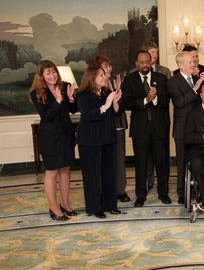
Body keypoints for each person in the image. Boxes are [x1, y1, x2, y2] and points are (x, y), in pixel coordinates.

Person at [122, 51, 171, 207]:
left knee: (161, 162)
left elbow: (166, 100)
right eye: (141, 62)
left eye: (147, 62)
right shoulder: (129, 80)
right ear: (136, 63)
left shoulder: (161, 79)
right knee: (141, 163)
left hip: (159, 127)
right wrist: (146, 100)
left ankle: (163, 193)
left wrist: (155, 98)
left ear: (151, 62)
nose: (144, 65)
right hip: (140, 128)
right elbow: (127, 103)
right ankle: (140, 195)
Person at [30, 60, 78, 221]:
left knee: (65, 169)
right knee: (51, 172)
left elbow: (72, 110)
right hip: (50, 137)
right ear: (42, 76)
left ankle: (65, 204)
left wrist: (70, 99)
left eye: (54, 72)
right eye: (48, 73)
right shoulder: (37, 92)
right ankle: (54, 207)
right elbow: (46, 116)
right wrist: (57, 101)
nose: (52, 75)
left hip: (66, 134)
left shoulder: (64, 86)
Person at [76, 66, 122, 218]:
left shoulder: (106, 93)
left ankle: (110, 204)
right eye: (101, 75)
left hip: (107, 138)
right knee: (92, 175)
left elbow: (115, 113)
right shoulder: (83, 95)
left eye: (104, 74)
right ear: (91, 78)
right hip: (89, 140)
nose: (105, 77)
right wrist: (106, 106)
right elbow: (88, 116)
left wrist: (115, 103)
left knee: (110, 173)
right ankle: (95, 207)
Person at [88, 55, 130, 203]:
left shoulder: (115, 82)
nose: (108, 69)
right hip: (101, 128)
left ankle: (120, 190)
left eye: (108, 66)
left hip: (117, 125)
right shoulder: (94, 87)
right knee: (102, 163)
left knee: (119, 159)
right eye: (104, 67)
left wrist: (118, 94)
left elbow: (122, 105)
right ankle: (102, 192)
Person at [168, 51, 204, 204]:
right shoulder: (173, 81)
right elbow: (179, 102)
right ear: (180, 65)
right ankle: (182, 192)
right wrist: (195, 89)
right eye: (190, 62)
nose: (193, 64)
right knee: (182, 160)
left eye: (194, 61)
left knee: (199, 159)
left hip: (198, 129)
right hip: (182, 129)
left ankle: (200, 189)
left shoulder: (197, 79)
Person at [140, 41, 171, 192]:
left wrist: (156, 97)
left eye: (156, 53)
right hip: (143, 122)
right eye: (152, 52)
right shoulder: (135, 73)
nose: (155, 55)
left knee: (162, 155)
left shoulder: (164, 72)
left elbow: (168, 96)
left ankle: (163, 186)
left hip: (161, 120)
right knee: (146, 157)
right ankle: (148, 181)